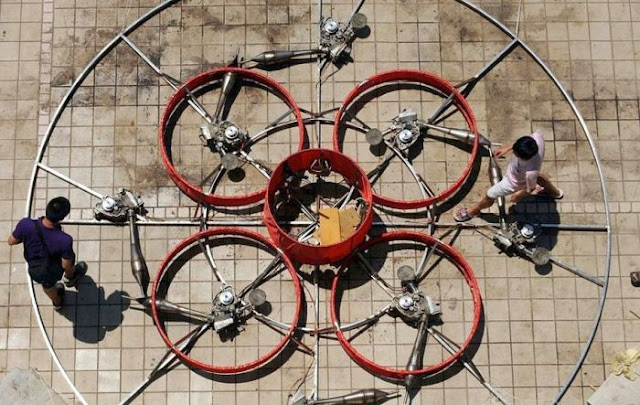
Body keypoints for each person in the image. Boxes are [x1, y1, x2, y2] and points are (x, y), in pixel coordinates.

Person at [454, 130, 563, 222]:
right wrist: (508, 148)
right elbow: (524, 141)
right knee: (540, 178)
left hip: (513, 182)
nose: (513, 153)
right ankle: (556, 193)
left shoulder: (530, 172)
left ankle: (473, 211)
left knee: (490, 194)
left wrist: (519, 195)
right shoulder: (536, 138)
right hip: (522, 173)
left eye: (515, 153)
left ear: (524, 158)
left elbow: (531, 187)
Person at [8, 197, 87, 310]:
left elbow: (11, 241)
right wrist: (69, 274)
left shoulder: (26, 224)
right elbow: (66, 265)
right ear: (62, 217)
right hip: (50, 269)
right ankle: (69, 282)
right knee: (55, 276)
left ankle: (57, 302)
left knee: (47, 285)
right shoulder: (64, 240)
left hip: (34, 268)